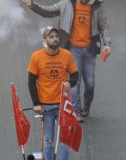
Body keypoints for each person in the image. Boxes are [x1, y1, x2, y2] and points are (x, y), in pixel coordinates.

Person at [21, 0, 110, 119]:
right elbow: (48, 11)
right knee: (75, 81)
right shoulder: (66, 3)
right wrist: (32, 5)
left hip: (89, 49)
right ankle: (76, 110)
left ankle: (87, 104)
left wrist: (107, 43)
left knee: (90, 82)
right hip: (73, 49)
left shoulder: (97, 6)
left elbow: (104, 26)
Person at [27, 26, 79, 160]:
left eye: (56, 36)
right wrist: (36, 103)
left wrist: (71, 83)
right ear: (45, 40)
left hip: (63, 105)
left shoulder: (66, 55)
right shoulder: (36, 57)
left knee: (64, 141)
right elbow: (31, 82)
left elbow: (75, 74)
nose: (55, 39)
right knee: (48, 141)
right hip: (46, 107)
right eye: (51, 37)